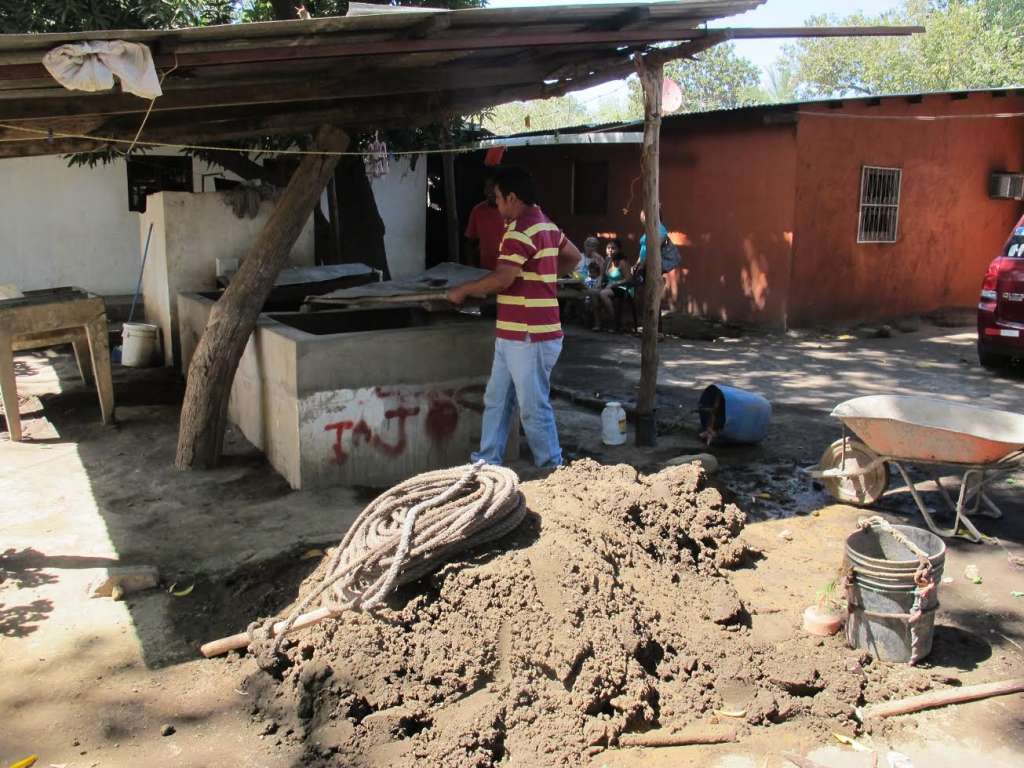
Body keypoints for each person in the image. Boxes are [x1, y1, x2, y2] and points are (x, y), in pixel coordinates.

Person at [446, 166, 581, 468]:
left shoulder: (521, 230)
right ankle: (487, 461)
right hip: (514, 332)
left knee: (532, 407)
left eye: (497, 199)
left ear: (512, 197)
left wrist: (463, 290)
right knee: (497, 399)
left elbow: (502, 279)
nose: (495, 206)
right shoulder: (544, 224)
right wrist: (542, 275)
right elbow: (574, 257)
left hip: (529, 334)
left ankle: (553, 468)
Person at [464, 174, 506, 271]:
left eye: (492, 186)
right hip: (486, 272)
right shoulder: (478, 210)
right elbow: (469, 242)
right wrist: (471, 266)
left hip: (509, 273)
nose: (488, 191)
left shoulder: (513, 210)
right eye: (486, 186)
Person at [596, 238, 627, 331]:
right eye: (608, 248)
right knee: (593, 293)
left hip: (622, 287)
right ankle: (598, 323)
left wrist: (615, 284)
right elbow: (602, 275)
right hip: (609, 287)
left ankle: (614, 322)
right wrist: (598, 282)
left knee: (603, 294)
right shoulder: (607, 260)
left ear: (619, 250)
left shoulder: (622, 262)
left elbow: (629, 279)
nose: (610, 250)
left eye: (613, 248)